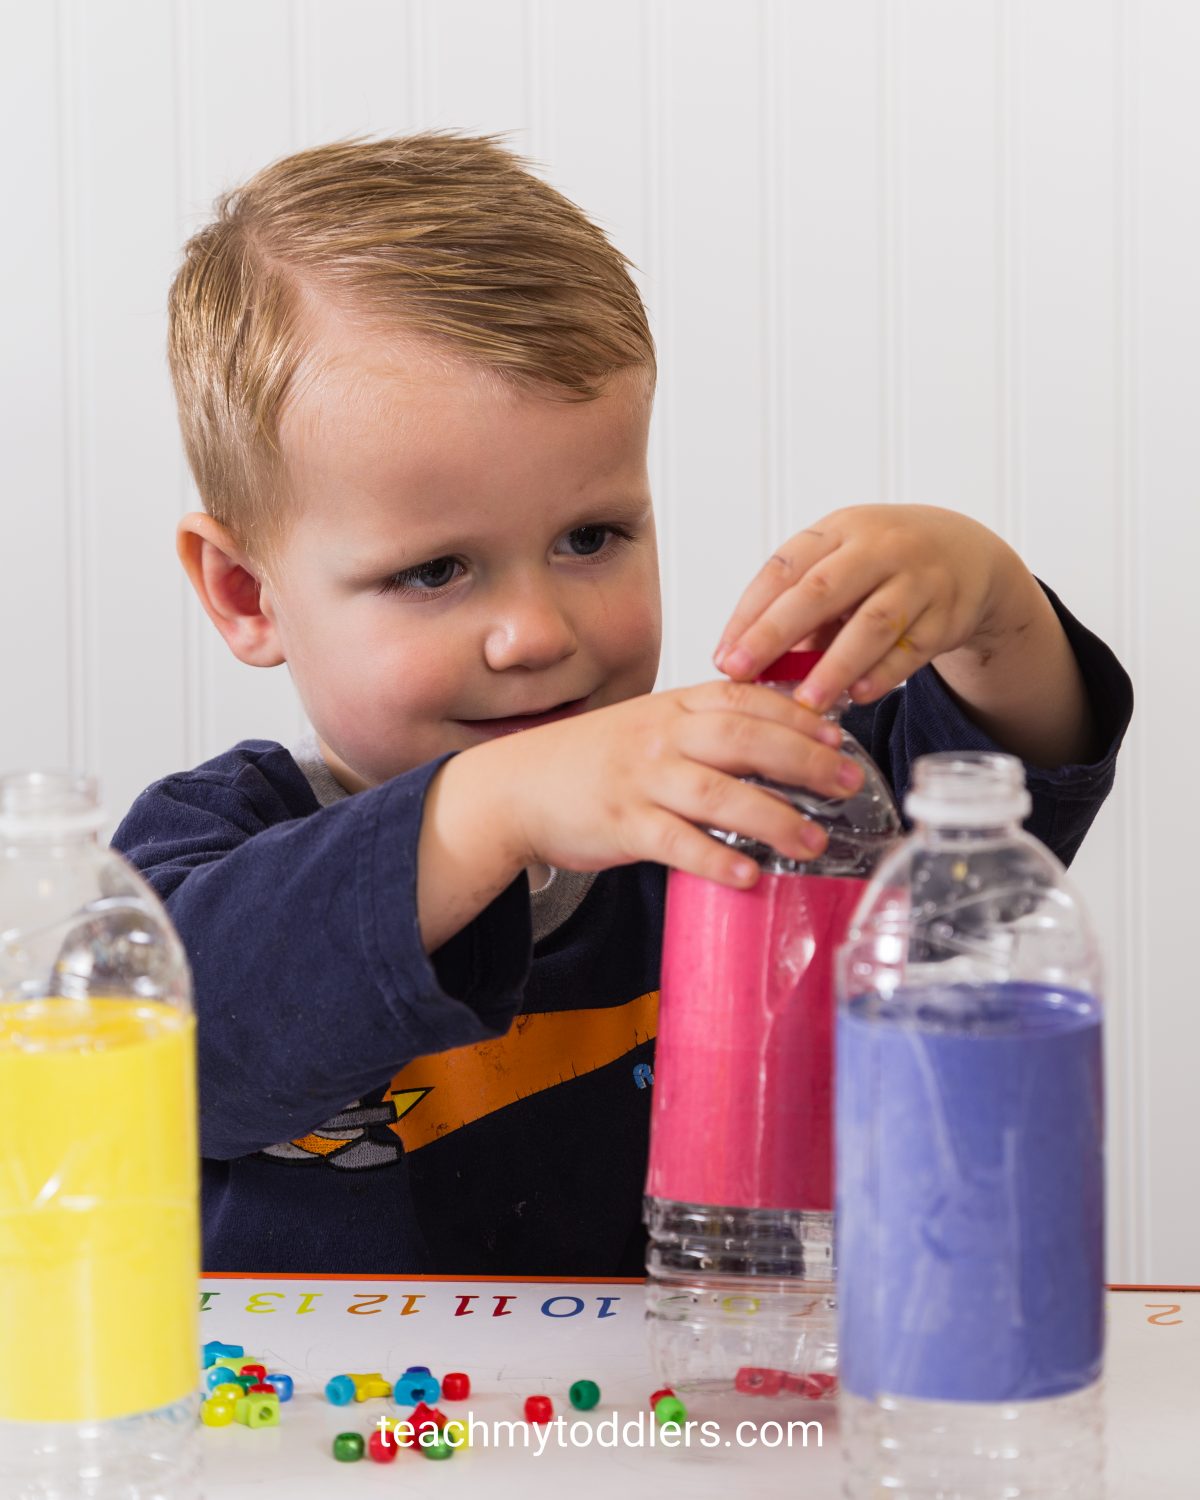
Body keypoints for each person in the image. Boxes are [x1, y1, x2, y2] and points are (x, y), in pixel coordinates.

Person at [113, 132, 1132, 1274]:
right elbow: (162, 1064)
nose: (538, 633)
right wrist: (485, 809)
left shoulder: (719, 803)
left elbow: (984, 820)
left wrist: (993, 606)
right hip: (334, 1446)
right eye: (435, 570)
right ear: (248, 592)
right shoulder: (202, 856)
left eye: (590, 538)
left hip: (682, 1426)